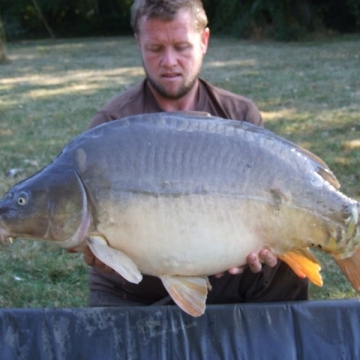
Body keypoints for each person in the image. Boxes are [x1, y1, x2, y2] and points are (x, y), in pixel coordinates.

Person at [84, 0, 308, 307]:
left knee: (285, 266)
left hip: (224, 274)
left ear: (204, 41)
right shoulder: (110, 128)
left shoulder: (240, 116)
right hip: (135, 289)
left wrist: (264, 245)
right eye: (155, 48)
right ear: (138, 42)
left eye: (181, 46)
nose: (169, 61)